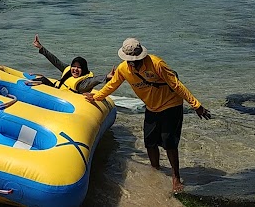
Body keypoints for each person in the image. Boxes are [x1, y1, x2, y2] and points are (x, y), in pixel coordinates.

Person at [84, 38, 211, 193]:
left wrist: (196, 105)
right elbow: (112, 85)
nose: (133, 63)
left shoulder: (157, 64)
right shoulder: (123, 69)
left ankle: (176, 176)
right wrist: (96, 97)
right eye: (129, 61)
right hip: (151, 107)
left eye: (136, 61)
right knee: (149, 142)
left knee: (169, 142)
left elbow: (176, 85)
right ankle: (155, 169)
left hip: (171, 105)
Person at [31, 34, 112, 93]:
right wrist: (41, 47)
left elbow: (95, 80)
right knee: (41, 78)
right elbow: (55, 61)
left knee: (40, 81)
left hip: (64, 98)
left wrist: (107, 76)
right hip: (57, 91)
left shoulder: (83, 84)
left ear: (83, 69)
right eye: (74, 66)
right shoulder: (68, 70)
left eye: (79, 67)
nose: (75, 69)